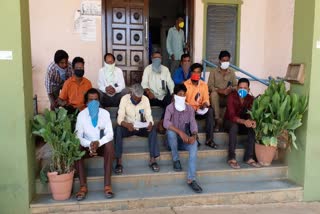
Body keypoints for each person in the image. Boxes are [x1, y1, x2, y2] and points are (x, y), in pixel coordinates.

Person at [75, 88, 115, 200]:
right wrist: (90, 144)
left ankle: (107, 185)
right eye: (90, 100)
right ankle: (82, 186)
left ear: (99, 101)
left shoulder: (105, 114)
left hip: (101, 146)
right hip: (87, 147)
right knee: (77, 147)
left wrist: (98, 142)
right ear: (86, 102)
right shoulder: (81, 116)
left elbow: (110, 134)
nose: (93, 103)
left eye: (96, 100)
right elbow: (78, 136)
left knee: (109, 145)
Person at [163, 84, 202, 193]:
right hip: (172, 142)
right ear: (175, 96)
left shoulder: (189, 109)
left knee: (194, 144)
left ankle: (191, 179)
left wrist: (194, 135)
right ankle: (176, 160)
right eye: (180, 94)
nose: (182, 97)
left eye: (184, 95)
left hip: (184, 141)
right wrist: (180, 132)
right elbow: (166, 123)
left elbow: (193, 124)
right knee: (171, 133)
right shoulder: (170, 108)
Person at [114, 84, 160, 174]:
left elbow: (149, 116)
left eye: (139, 98)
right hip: (128, 127)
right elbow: (119, 119)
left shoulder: (145, 99)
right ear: (131, 93)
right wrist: (126, 125)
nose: (137, 100)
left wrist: (150, 123)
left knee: (153, 130)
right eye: (135, 98)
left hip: (141, 127)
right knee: (118, 129)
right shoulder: (124, 99)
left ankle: (153, 160)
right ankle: (118, 161)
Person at [224, 78, 261, 169]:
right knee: (234, 126)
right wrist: (244, 121)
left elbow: (252, 114)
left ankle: (249, 157)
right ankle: (231, 158)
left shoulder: (250, 99)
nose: (242, 90)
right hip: (229, 123)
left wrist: (252, 121)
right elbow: (232, 116)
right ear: (237, 88)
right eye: (240, 88)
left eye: (245, 88)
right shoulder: (231, 97)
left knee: (252, 128)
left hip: (242, 124)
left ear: (248, 89)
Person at [184, 63, 217, 149]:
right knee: (188, 111)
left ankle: (209, 140)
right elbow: (183, 101)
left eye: (198, 72)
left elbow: (206, 99)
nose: (196, 74)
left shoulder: (204, 85)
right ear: (190, 73)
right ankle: (195, 138)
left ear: (201, 74)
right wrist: (190, 107)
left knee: (210, 111)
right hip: (190, 110)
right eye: (194, 72)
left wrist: (205, 104)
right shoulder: (185, 85)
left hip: (200, 109)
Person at [141, 51, 174, 133]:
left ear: (161, 59)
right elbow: (144, 83)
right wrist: (148, 92)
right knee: (143, 100)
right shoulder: (147, 69)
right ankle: (145, 123)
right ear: (152, 59)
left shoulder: (165, 69)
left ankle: (162, 122)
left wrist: (173, 94)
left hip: (162, 96)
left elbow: (170, 83)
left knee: (171, 101)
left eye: (159, 58)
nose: (157, 59)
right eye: (155, 58)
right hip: (151, 96)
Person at [208, 50, 237, 131]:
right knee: (213, 94)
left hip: (227, 97)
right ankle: (217, 121)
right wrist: (220, 91)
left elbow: (236, 86)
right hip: (217, 97)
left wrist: (230, 89)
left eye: (227, 60)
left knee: (232, 96)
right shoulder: (213, 72)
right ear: (220, 61)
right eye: (224, 60)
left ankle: (225, 123)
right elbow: (209, 86)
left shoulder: (232, 72)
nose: (225, 62)